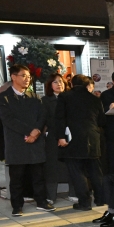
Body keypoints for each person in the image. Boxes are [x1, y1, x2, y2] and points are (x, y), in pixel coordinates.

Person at [0, 64, 52, 216]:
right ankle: (17, 206)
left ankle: (41, 201)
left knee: (38, 175)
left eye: (29, 76)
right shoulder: (3, 98)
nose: (27, 79)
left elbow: (42, 116)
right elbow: (8, 120)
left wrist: (37, 131)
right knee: (17, 178)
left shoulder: (35, 97)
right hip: (16, 142)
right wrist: (29, 132)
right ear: (14, 77)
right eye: (24, 76)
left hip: (36, 141)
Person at [55, 75, 106, 211]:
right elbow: (102, 121)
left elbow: (59, 118)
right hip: (93, 138)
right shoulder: (95, 98)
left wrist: (61, 137)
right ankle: (100, 199)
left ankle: (84, 202)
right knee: (95, 170)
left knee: (77, 171)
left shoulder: (64, 97)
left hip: (74, 138)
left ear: (71, 84)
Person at [42, 73, 73, 203]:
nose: (59, 84)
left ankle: (74, 192)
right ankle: (50, 195)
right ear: (50, 85)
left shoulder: (71, 98)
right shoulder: (45, 100)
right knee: (52, 167)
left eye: (60, 81)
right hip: (53, 136)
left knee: (72, 164)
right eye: (55, 82)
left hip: (70, 135)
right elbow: (46, 119)